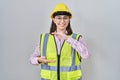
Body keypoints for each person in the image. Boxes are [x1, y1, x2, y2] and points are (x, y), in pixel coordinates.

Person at [30, 3, 90, 80]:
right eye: (59, 18)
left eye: (65, 18)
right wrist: (38, 60)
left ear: (69, 20)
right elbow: (32, 59)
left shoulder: (76, 38)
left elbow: (86, 55)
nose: (62, 21)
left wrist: (68, 38)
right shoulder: (44, 38)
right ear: (54, 20)